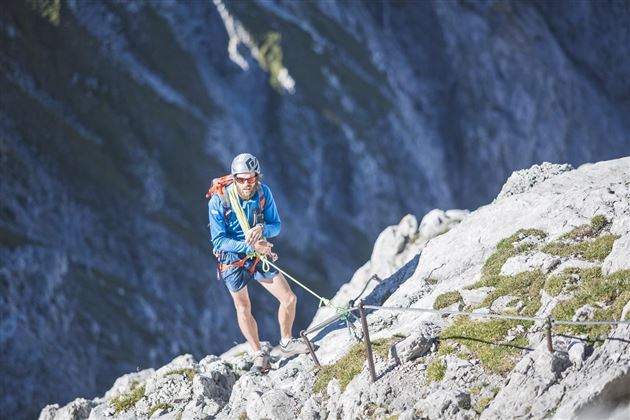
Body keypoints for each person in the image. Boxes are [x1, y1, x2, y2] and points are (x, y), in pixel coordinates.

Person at [208, 153, 309, 373]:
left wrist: (262, 229)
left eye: (250, 179)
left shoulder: (263, 192)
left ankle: (286, 341)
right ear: (234, 178)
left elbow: (277, 225)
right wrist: (251, 247)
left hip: (258, 254)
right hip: (233, 259)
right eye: (241, 179)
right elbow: (219, 240)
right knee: (243, 306)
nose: (246, 184)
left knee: (289, 298)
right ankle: (258, 353)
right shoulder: (219, 200)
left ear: (256, 176)